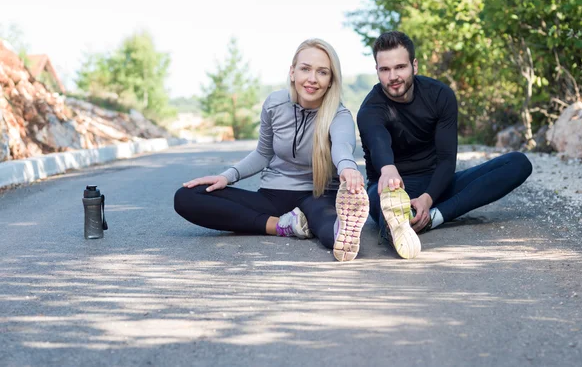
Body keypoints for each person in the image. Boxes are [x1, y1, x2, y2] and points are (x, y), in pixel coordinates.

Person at [174, 38, 369, 262]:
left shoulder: (339, 115)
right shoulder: (275, 104)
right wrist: (226, 177)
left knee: (332, 233)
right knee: (187, 196)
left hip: (318, 196)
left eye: (322, 72)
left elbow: (343, 147)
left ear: (331, 80)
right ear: (292, 72)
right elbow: (263, 153)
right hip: (273, 196)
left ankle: (341, 229)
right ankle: (281, 225)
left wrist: (348, 169)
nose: (312, 79)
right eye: (305, 69)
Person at [357, 31, 533, 259]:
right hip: (389, 188)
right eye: (385, 69)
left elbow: (447, 160)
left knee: (518, 163)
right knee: (384, 204)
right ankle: (397, 224)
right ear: (377, 71)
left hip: (436, 185)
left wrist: (428, 198)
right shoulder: (370, 109)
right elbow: (378, 142)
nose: (393, 76)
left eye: (400, 67)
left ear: (415, 66)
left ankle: (434, 216)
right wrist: (388, 169)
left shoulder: (440, 96)